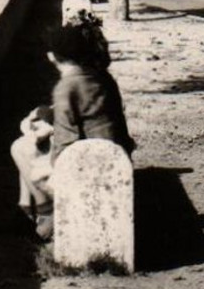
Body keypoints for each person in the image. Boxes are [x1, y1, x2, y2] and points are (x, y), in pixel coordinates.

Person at [13, 18, 136, 240]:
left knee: (25, 150)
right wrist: (48, 119)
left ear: (52, 56)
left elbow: (65, 145)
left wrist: (43, 141)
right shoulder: (101, 76)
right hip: (116, 158)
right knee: (28, 146)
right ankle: (32, 210)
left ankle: (48, 218)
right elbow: (92, 114)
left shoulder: (66, 87)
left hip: (88, 168)